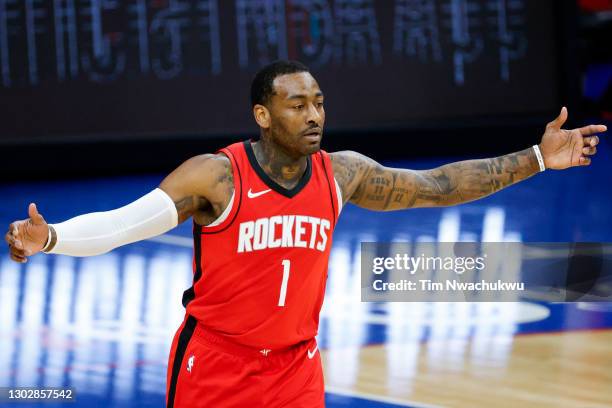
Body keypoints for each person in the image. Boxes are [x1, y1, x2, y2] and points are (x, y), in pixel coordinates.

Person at [4, 60, 606, 407]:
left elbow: (439, 184)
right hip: (216, 366)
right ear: (262, 115)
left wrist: (535, 157)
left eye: (318, 102)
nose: (314, 114)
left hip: (297, 368)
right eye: (296, 105)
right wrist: (50, 237)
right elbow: (123, 226)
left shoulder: (341, 174)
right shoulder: (217, 176)